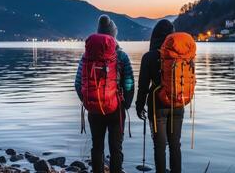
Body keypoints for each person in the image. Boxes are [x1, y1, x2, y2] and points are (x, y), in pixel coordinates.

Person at [75, 15, 134, 173]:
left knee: (97, 147)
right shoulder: (121, 55)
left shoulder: (86, 56)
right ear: (113, 35)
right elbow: (129, 82)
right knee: (116, 149)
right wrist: (126, 103)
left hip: (94, 109)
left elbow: (78, 83)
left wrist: (89, 100)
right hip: (116, 108)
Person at [136, 20, 184, 173]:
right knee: (175, 144)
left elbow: (143, 86)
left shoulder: (149, 57)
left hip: (158, 106)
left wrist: (139, 106)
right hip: (178, 104)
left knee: (160, 147)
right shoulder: (182, 55)